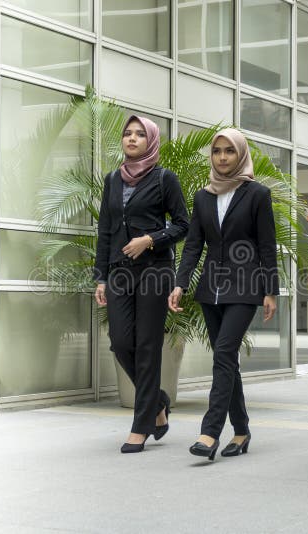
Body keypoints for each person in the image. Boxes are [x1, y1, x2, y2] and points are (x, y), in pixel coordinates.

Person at [168, 128, 278, 461]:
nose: (223, 157)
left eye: (229, 151)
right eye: (217, 151)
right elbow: (193, 246)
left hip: (245, 289)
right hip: (210, 290)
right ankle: (241, 430)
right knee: (227, 361)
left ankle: (210, 433)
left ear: (240, 154)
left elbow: (266, 246)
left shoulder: (257, 194)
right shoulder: (203, 196)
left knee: (224, 355)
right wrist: (179, 283)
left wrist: (270, 290)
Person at [94, 115, 189, 453]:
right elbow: (105, 230)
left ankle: (141, 425)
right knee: (121, 342)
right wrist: (101, 276)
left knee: (147, 346)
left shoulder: (165, 179)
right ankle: (157, 401)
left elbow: (182, 225)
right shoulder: (112, 180)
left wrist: (149, 239)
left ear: (150, 140)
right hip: (119, 271)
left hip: (154, 270)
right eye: (127, 133)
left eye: (139, 134)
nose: (131, 139)